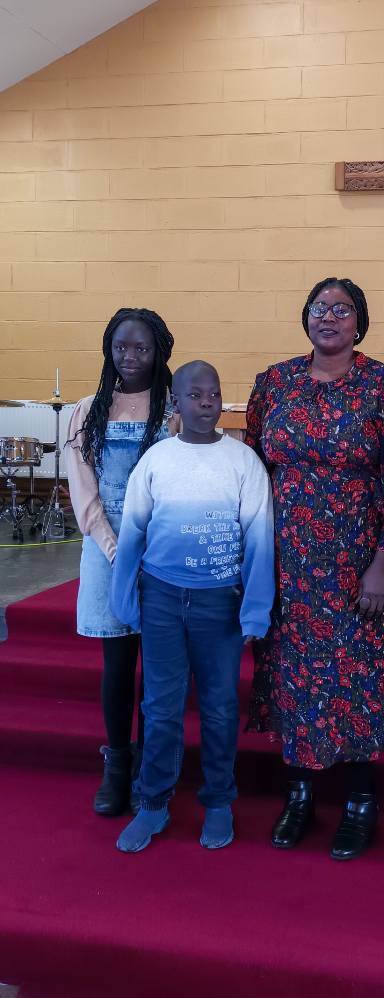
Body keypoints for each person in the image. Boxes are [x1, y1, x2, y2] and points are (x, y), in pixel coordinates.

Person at [245, 277, 384, 860]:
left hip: (358, 564)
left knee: (358, 678)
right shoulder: (275, 383)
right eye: (320, 308)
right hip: (287, 561)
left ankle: (359, 802)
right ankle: (298, 796)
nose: (329, 318)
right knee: (292, 673)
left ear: (359, 320)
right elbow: (251, 470)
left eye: (342, 310)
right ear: (305, 316)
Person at [110, 361, 274, 853]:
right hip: (161, 599)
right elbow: (133, 533)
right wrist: (125, 598)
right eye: (195, 394)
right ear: (175, 404)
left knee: (221, 709)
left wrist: (255, 610)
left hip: (219, 604)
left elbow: (260, 538)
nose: (207, 402)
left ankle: (219, 800)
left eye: (214, 393)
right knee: (160, 709)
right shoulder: (157, 460)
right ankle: (153, 802)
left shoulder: (243, 461)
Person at [65, 307, 177, 816]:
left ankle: (155, 766)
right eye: (121, 347)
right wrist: (116, 549)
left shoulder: (174, 409)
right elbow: (83, 488)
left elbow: (179, 484)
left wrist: (150, 548)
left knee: (156, 664)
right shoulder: (87, 410)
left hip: (161, 550)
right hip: (106, 547)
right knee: (117, 660)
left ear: (159, 353)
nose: (130, 357)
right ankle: (117, 763)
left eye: (141, 348)